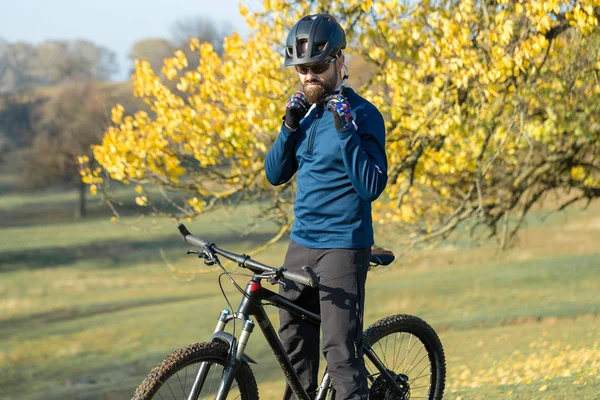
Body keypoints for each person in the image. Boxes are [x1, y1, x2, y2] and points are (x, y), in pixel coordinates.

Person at [264, 13, 388, 400]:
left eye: (316, 67)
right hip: (301, 243)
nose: (307, 76)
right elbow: (274, 174)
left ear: (339, 62)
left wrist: (346, 129)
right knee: (294, 351)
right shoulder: (305, 116)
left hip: (344, 244)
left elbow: (370, 186)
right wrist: (287, 127)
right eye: (301, 69)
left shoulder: (364, 115)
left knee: (340, 353)